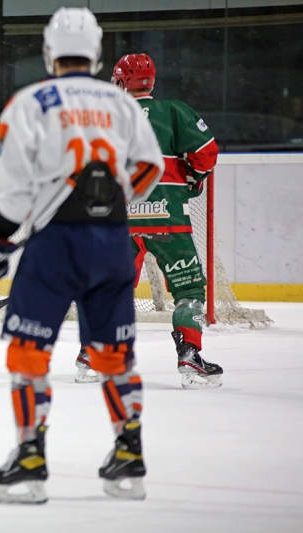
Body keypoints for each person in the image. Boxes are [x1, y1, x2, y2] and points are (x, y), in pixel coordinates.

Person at [0, 7, 164, 503]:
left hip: (55, 246)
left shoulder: (29, 102)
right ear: (96, 53)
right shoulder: (122, 105)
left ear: (48, 51)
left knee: (28, 351)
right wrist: (111, 199)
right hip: (113, 242)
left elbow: (13, 191)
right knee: (114, 354)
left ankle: (30, 462)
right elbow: (150, 166)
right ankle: (129, 457)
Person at [75, 53, 223, 389]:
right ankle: (189, 354)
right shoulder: (174, 111)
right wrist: (192, 177)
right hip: (167, 219)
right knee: (188, 289)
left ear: (120, 82)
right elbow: (206, 155)